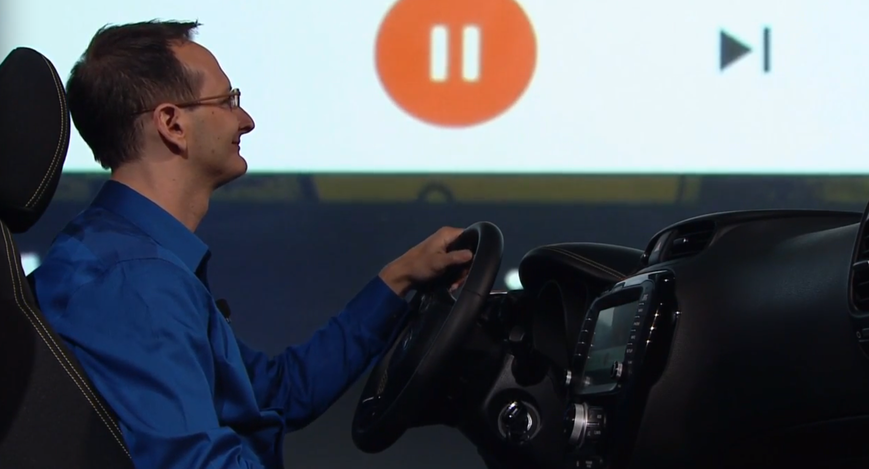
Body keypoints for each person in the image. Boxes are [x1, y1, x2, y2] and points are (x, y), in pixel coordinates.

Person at [30, 20, 473, 469]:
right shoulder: (135, 282)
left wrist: (400, 278)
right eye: (227, 101)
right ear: (172, 124)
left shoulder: (124, 256)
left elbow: (279, 393)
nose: (246, 120)